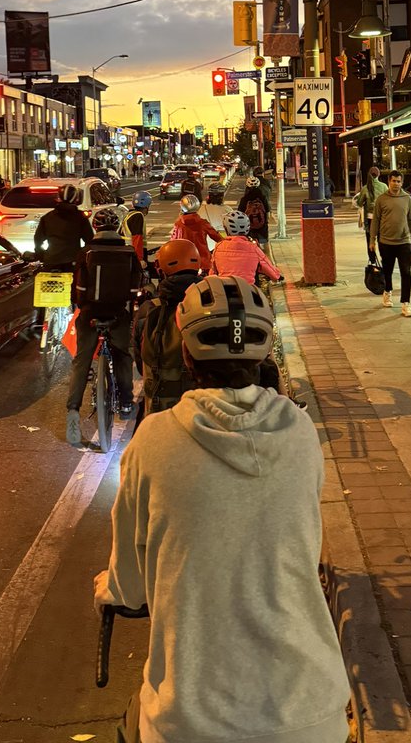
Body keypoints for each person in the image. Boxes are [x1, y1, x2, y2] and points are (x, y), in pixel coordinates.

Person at [94, 275, 351, 743]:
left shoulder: (152, 439)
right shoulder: (300, 433)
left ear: (186, 356)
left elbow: (130, 585)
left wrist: (111, 588)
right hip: (314, 712)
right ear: (263, 355)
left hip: (192, 720)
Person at [66, 206, 143, 445]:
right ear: (118, 228)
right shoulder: (129, 252)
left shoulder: (86, 252)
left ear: (95, 228)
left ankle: (72, 411)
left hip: (90, 313)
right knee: (122, 355)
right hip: (119, 313)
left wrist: (78, 307)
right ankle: (127, 403)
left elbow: (76, 289)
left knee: (82, 359)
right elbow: (137, 289)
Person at [132, 239, 202, 416]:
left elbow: (141, 362)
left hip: (161, 408)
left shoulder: (149, 310)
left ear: (161, 270)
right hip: (203, 404)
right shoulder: (211, 304)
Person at [369, 170, 411, 317]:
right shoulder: (381, 199)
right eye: (393, 181)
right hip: (386, 241)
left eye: (398, 181)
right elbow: (376, 220)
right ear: (389, 182)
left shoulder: (407, 198)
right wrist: (372, 240)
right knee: (388, 270)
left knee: (406, 272)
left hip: (404, 241)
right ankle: (388, 291)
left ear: (402, 183)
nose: (396, 184)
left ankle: (406, 303)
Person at [211, 210, 281, 283]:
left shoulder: (219, 247)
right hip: (248, 289)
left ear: (226, 229)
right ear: (247, 229)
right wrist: (277, 276)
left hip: (225, 289)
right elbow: (266, 265)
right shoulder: (253, 248)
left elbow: (213, 270)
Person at [33, 183, 94, 268]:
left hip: (51, 261)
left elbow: (38, 239)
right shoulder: (80, 217)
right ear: (76, 199)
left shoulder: (47, 217)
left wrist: (41, 255)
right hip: (73, 261)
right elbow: (89, 240)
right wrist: (82, 255)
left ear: (59, 198)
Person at [170, 194, 221, 270]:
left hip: (184, 263)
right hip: (203, 262)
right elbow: (217, 237)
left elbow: (172, 242)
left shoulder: (178, 224)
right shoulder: (203, 223)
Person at [355, 166, 388, 261]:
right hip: (382, 217)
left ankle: (372, 259)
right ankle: (384, 257)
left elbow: (359, 203)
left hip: (370, 218)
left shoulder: (365, 188)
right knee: (382, 239)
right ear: (379, 175)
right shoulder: (384, 186)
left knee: (370, 239)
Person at [238, 175, 271, 246]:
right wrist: (265, 222)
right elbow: (268, 212)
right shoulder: (263, 197)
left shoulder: (244, 199)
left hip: (248, 228)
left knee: (248, 246)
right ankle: (267, 256)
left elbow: (240, 213)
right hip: (262, 227)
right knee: (265, 246)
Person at [121, 190, 152, 263]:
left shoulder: (130, 214)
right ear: (146, 205)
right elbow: (137, 238)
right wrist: (139, 260)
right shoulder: (138, 216)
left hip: (127, 251)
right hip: (133, 253)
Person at [198, 182, 227, 251]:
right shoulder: (227, 210)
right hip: (223, 246)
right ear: (222, 196)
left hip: (205, 246)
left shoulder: (201, 209)